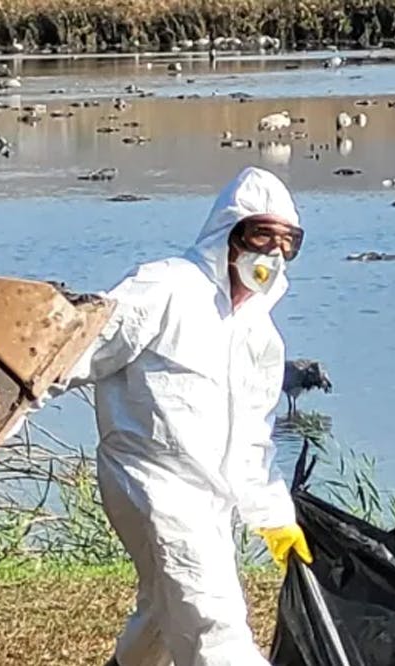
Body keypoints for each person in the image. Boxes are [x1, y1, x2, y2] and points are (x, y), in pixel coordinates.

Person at [38, 166, 312, 666]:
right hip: (149, 484)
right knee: (214, 622)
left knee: (164, 616)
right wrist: (0, 407)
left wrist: (273, 515)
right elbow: (73, 355)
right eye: (260, 234)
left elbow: (253, 437)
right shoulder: (165, 288)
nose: (271, 253)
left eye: (287, 241)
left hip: (211, 500)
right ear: (228, 233)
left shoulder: (259, 335)